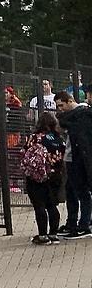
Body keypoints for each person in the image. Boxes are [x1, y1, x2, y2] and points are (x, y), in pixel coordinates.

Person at [21, 110, 66, 245]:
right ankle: (53, 234)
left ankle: (42, 235)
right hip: (55, 175)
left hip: (37, 176)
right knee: (52, 204)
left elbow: (25, 153)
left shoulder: (35, 138)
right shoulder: (59, 139)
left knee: (39, 205)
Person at [53, 91, 92, 237]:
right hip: (70, 156)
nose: (60, 109)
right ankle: (72, 222)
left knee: (82, 191)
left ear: (70, 101)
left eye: (61, 105)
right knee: (71, 191)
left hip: (80, 158)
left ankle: (84, 223)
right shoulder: (70, 117)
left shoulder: (82, 113)